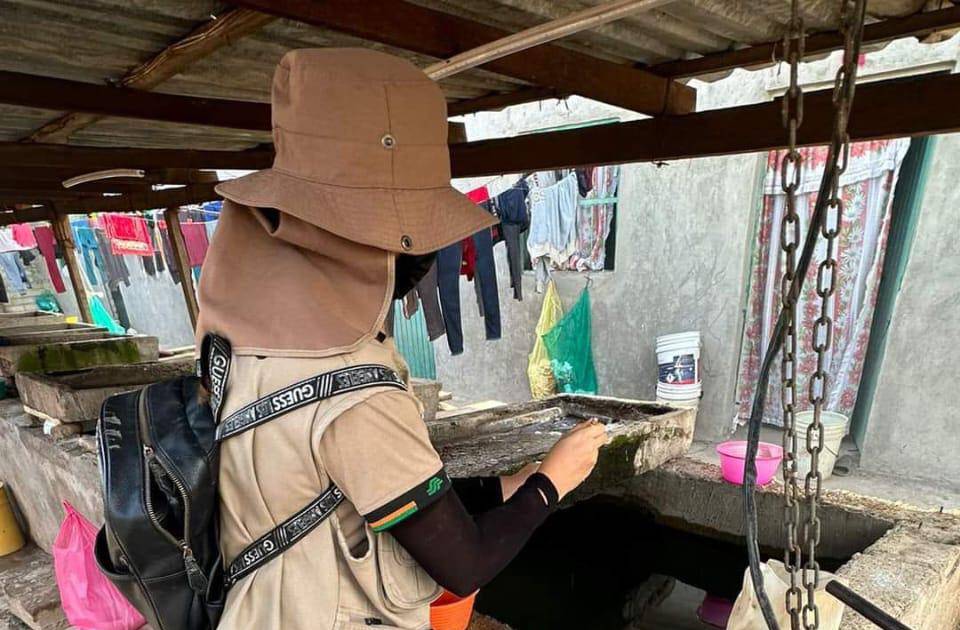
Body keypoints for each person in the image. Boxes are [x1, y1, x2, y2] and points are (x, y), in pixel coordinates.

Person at [196, 48, 607, 630]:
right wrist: (551, 483)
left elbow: (385, 496)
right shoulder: (353, 390)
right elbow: (465, 565)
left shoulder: (243, 340)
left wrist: (509, 486)